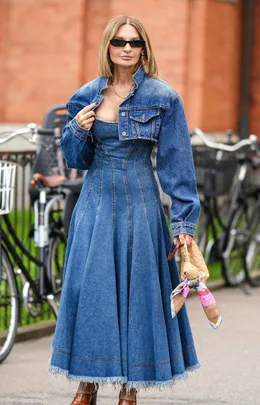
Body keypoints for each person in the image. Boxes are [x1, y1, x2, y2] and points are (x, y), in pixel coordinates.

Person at [49, 14, 201, 405]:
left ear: (144, 49)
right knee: (91, 291)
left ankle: (129, 389)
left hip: (140, 207)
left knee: (137, 294)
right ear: (109, 47)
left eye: (135, 42)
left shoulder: (163, 97)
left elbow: (176, 162)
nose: (128, 48)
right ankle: (87, 384)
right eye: (120, 42)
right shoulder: (86, 95)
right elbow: (77, 159)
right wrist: (77, 130)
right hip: (95, 205)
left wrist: (184, 221)